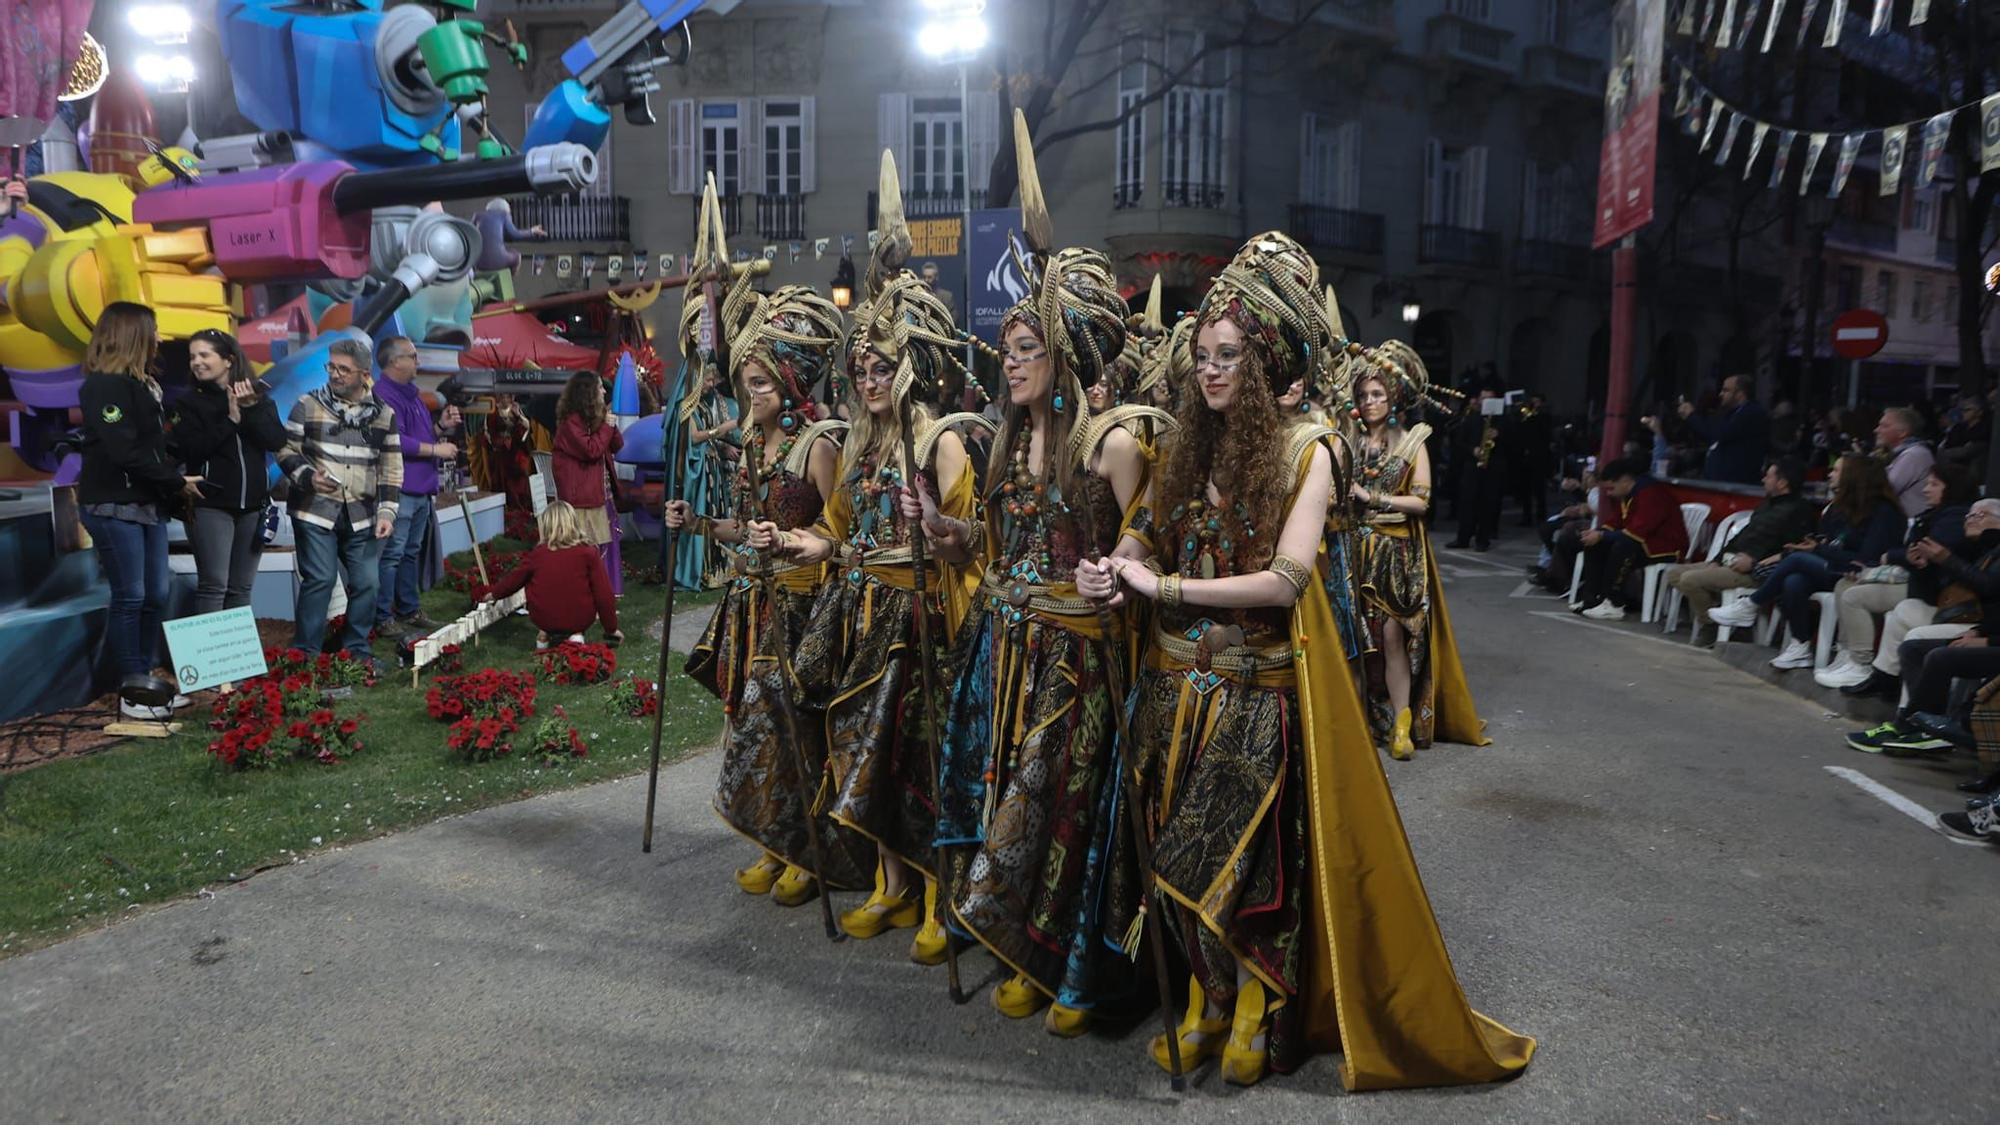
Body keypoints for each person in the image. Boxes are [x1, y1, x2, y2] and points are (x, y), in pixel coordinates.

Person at [1092, 231, 1533, 1090]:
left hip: (1260, 693)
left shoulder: (1312, 448)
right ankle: (1207, 1001)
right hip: (1175, 691)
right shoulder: (1188, 445)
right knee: (1176, 857)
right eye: (1205, 357)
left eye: (1231, 358)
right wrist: (1116, 566)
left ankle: (1254, 1004)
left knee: (1251, 865)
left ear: (1266, 364)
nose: (1213, 372)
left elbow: (1288, 579)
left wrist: (1164, 585)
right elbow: (1143, 525)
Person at [929, 124, 1165, 1037]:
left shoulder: (1109, 443)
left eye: (1028, 345)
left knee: (1061, 806)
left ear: (1067, 354)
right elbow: (987, 553)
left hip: (1078, 656)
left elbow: (1151, 530)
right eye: (1009, 345)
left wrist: (1126, 569)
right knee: (1000, 790)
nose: (1011, 358)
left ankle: (1064, 962)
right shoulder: (999, 442)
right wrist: (947, 534)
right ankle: (1010, 948)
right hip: (1008, 644)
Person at [755, 153, 978, 963]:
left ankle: (934, 891)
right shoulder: (856, 442)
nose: (870, 377)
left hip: (920, 615)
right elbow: (843, 531)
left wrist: (936, 533)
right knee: (860, 746)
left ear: (909, 366)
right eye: (861, 368)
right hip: (860, 608)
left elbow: (969, 541)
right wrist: (806, 540)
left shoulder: (941, 438)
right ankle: (887, 880)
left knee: (914, 752)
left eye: (883, 367)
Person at [667, 283, 866, 906]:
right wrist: (695, 522)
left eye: (761, 385)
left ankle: (812, 854)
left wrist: (786, 538)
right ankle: (774, 841)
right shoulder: (752, 444)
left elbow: (838, 532)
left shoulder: (821, 444)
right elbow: (743, 528)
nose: (749, 395)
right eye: (746, 383)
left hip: (806, 606)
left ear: (792, 383)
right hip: (755, 602)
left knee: (797, 729)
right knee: (753, 726)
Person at [1348, 341, 1488, 759]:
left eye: (1378, 395)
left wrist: (1373, 499)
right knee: (1357, 637)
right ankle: (1360, 717)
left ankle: (1402, 721)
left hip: (1397, 555)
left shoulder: (1412, 442)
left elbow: (1422, 502)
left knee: (1393, 637)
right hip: (1356, 551)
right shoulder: (1350, 440)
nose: (1370, 402)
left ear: (1394, 399)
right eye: (1364, 395)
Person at [79, 302, 203, 718]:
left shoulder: (144, 384)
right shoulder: (103, 386)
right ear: (132, 334)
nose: (159, 338)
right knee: (130, 595)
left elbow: (152, 446)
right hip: (114, 506)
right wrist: (174, 481)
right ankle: (133, 691)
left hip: (147, 504)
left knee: (156, 594)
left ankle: (148, 676)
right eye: (152, 330)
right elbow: (124, 450)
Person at [1707, 454, 1904, 669]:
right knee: (1794, 581)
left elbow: (1867, 559)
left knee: (1796, 559)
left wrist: (1818, 550)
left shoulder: (1884, 512)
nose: (1830, 474)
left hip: (1861, 574)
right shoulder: (1840, 507)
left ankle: (1751, 604)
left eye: (1837, 470)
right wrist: (1817, 547)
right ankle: (1800, 646)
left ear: (1853, 476)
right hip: (1834, 568)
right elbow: (1826, 541)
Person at [279, 337, 402, 667]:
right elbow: (285, 450)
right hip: (315, 510)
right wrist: (306, 477)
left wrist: (388, 510)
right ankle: (305, 654)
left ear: (364, 373)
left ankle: (355, 651)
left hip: (361, 513)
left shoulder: (383, 415)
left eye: (343, 369)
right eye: (331, 366)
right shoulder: (307, 404)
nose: (334, 374)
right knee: (319, 579)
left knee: (367, 583)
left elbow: (391, 467)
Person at [1817, 463, 1976, 689]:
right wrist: (1903, 554)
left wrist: (1895, 555)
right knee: (1844, 583)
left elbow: (1922, 554)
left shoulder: (1955, 518)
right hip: (1917, 584)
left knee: (1852, 594)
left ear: (1952, 488)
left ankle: (1861, 664)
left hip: (1935, 594)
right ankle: (1858, 663)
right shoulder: (1933, 515)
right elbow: (1912, 551)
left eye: (1934, 484)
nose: (1925, 489)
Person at [168, 328, 287, 616]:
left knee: (241, 588)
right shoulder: (188, 403)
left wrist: (251, 410)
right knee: (214, 585)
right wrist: (231, 421)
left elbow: (276, 441)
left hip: (253, 507)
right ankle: (211, 660)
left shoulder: (258, 397)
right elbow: (191, 450)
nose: (197, 362)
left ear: (229, 360)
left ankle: (234, 660)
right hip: (211, 505)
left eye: (204, 355)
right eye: (192, 356)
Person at [1835, 498, 2000, 701]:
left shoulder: (1992, 550)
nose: (1970, 519)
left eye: (1980, 515)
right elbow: (1933, 594)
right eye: (1969, 515)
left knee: (1916, 639)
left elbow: (1990, 587)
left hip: (1979, 623)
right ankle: (1884, 678)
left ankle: (1909, 714)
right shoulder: (1971, 547)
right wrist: (1924, 566)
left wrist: (1947, 559)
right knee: (1905, 608)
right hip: (1963, 616)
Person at [1662, 457, 1819, 626]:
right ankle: (1719, 623)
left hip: (1755, 573)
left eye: (1768, 476)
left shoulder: (1799, 512)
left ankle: (1711, 627)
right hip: (1732, 560)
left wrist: (1754, 563)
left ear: (1782, 483)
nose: (1763, 480)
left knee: (1690, 580)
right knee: (1674, 574)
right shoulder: (1767, 505)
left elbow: (1792, 552)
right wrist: (1716, 559)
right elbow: (1741, 536)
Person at [371, 335, 454, 639]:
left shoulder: (411, 395)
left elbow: (419, 435)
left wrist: (440, 427)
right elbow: (395, 440)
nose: (418, 361)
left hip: (419, 489)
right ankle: (382, 616)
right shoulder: (383, 395)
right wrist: (436, 451)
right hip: (400, 490)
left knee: (409, 552)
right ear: (395, 361)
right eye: (413, 356)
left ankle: (408, 608)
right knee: (393, 553)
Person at [470, 500, 621, 646]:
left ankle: (544, 636)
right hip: (579, 618)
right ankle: (576, 636)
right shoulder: (589, 553)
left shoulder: (538, 554)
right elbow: (603, 594)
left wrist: (493, 594)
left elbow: (514, 581)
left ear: (547, 525)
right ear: (574, 522)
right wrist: (611, 629)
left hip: (543, 618)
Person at [1571, 457, 1690, 621]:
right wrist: (1597, 533)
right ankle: (1591, 600)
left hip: (1666, 547)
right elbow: (1617, 521)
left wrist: (1602, 535)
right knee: (1596, 545)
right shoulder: (1629, 494)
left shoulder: (1651, 494)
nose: (1608, 493)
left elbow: (1638, 532)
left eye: (1611, 488)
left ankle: (1614, 604)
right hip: (1644, 542)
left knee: (1622, 546)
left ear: (1625, 481)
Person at [552, 370, 624, 589]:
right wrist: (606, 426)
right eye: (600, 387)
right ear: (588, 392)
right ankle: (586, 591)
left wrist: (609, 423)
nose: (604, 391)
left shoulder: (595, 419)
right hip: (582, 498)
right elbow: (591, 450)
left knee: (605, 544)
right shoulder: (571, 424)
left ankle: (606, 589)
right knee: (587, 547)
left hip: (601, 493)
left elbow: (617, 446)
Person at [674, 366, 740, 588]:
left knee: (715, 512)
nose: (712, 385)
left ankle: (715, 569)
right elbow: (693, 437)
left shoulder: (702, 404)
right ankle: (699, 570)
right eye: (708, 381)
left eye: (713, 380)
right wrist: (722, 429)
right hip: (700, 470)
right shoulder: (686, 406)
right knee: (702, 513)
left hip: (711, 467)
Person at [1679, 373, 1768, 484]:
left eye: (1726, 390)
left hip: (1737, 487)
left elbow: (1720, 433)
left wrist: (1692, 416)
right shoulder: (1730, 414)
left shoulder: (1752, 413)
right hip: (1718, 484)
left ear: (1739, 394)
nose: (1721, 394)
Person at [1445, 385, 1503, 551]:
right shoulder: (1472, 418)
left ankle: (1482, 540)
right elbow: (1459, 442)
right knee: (1467, 503)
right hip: (1472, 466)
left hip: (1493, 468)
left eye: (1489, 399)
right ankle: (1462, 538)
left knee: (1487, 504)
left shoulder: (1503, 420)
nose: (1486, 402)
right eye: (1483, 398)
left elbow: (1513, 444)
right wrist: (1473, 450)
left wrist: (1499, 435)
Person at [1875, 406, 1935, 517]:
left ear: (1902, 432)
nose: (1876, 430)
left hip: (1912, 525)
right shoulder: (1894, 454)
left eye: (1884, 426)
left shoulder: (1915, 454)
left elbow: (1884, 490)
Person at [1509, 393, 1553, 528]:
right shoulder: (1525, 416)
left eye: (1537, 402)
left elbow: (1545, 434)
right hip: (1525, 456)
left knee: (1539, 489)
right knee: (1525, 489)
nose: (1534, 404)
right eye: (1532, 402)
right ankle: (1526, 516)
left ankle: (1541, 515)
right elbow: (1519, 429)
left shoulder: (1544, 416)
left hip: (1538, 456)